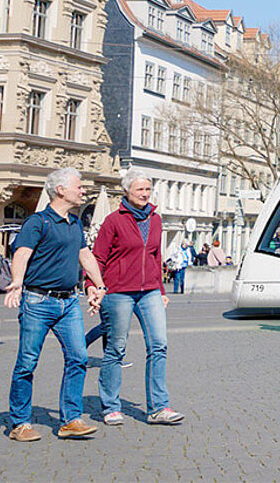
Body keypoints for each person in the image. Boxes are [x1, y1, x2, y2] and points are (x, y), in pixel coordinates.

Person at [4, 167, 107, 442]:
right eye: (79, 186)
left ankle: (71, 420)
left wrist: (99, 286)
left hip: (69, 302)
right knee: (27, 362)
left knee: (79, 357)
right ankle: (20, 423)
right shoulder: (37, 222)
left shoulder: (75, 223)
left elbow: (85, 256)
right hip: (38, 300)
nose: (83, 190)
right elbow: (22, 254)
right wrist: (16, 282)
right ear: (61, 190)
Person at [89, 169, 184, 427]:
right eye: (139, 189)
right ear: (127, 191)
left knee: (159, 345)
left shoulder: (155, 219)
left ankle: (158, 408)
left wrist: (161, 291)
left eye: (147, 189)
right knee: (116, 349)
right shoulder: (113, 220)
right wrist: (92, 286)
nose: (144, 194)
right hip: (118, 291)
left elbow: (155, 257)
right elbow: (97, 257)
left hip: (150, 291)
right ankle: (110, 406)